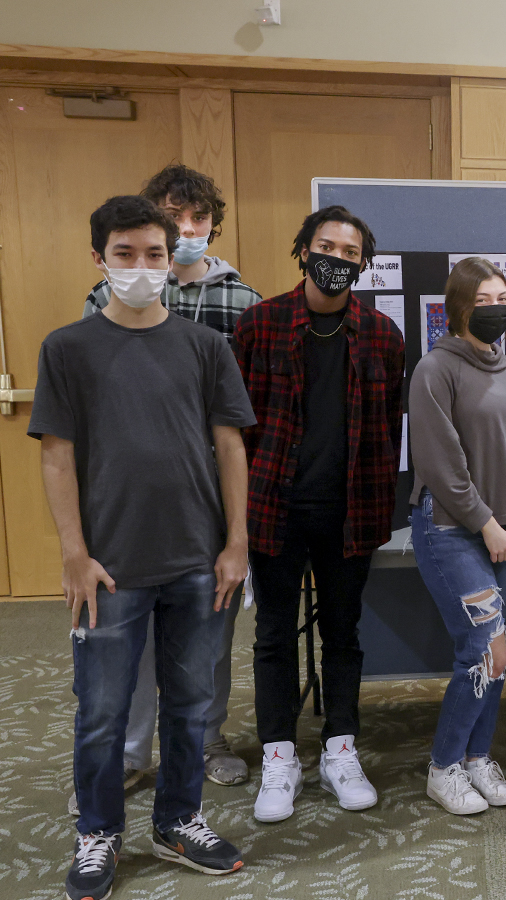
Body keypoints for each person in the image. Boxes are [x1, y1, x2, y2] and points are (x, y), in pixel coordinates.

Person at [38, 196, 255, 900]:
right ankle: (99, 830)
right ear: (98, 258)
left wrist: (236, 543)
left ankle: (178, 819)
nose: (141, 267)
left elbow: (230, 446)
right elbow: (58, 457)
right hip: (109, 566)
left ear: (173, 258)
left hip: (197, 560)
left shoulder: (206, 347)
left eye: (154, 254)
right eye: (125, 254)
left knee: (191, 704)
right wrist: (74, 552)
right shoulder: (67, 348)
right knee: (101, 711)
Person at [72, 165, 263, 808]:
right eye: (171, 218)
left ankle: (207, 740)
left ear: (213, 224)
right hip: (128, 505)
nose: (185, 232)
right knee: (128, 642)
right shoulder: (105, 300)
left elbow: (245, 418)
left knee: (206, 635)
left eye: (198, 219)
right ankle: (130, 754)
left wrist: (241, 524)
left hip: (207, 504)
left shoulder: (243, 301)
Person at [234, 206, 405, 823]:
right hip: (273, 508)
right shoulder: (260, 324)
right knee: (274, 636)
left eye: (350, 251)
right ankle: (279, 755)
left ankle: (340, 747)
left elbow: (388, 426)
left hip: (350, 512)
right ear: (302, 249)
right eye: (325, 246)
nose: (336, 258)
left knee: (344, 633)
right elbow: (240, 428)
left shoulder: (383, 335)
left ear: (364, 263)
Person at [409, 257, 506, 815]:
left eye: (500, 297)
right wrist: (486, 525)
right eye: (481, 300)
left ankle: (479, 758)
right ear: (458, 308)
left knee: (500, 654)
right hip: (453, 530)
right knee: (482, 647)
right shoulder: (436, 369)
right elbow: (442, 464)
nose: (494, 309)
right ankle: (444, 766)